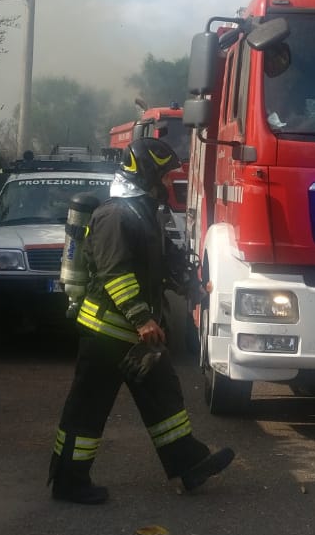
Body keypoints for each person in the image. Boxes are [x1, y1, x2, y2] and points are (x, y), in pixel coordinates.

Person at [47, 138, 234, 504]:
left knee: (163, 395)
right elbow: (116, 272)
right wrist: (142, 318)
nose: (168, 185)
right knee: (88, 408)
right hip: (107, 333)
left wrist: (191, 287)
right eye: (164, 176)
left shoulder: (143, 213)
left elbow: (160, 262)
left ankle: (189, 464)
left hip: (134, 335)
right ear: (147, 174)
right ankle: (69, 481)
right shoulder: (115, 215)